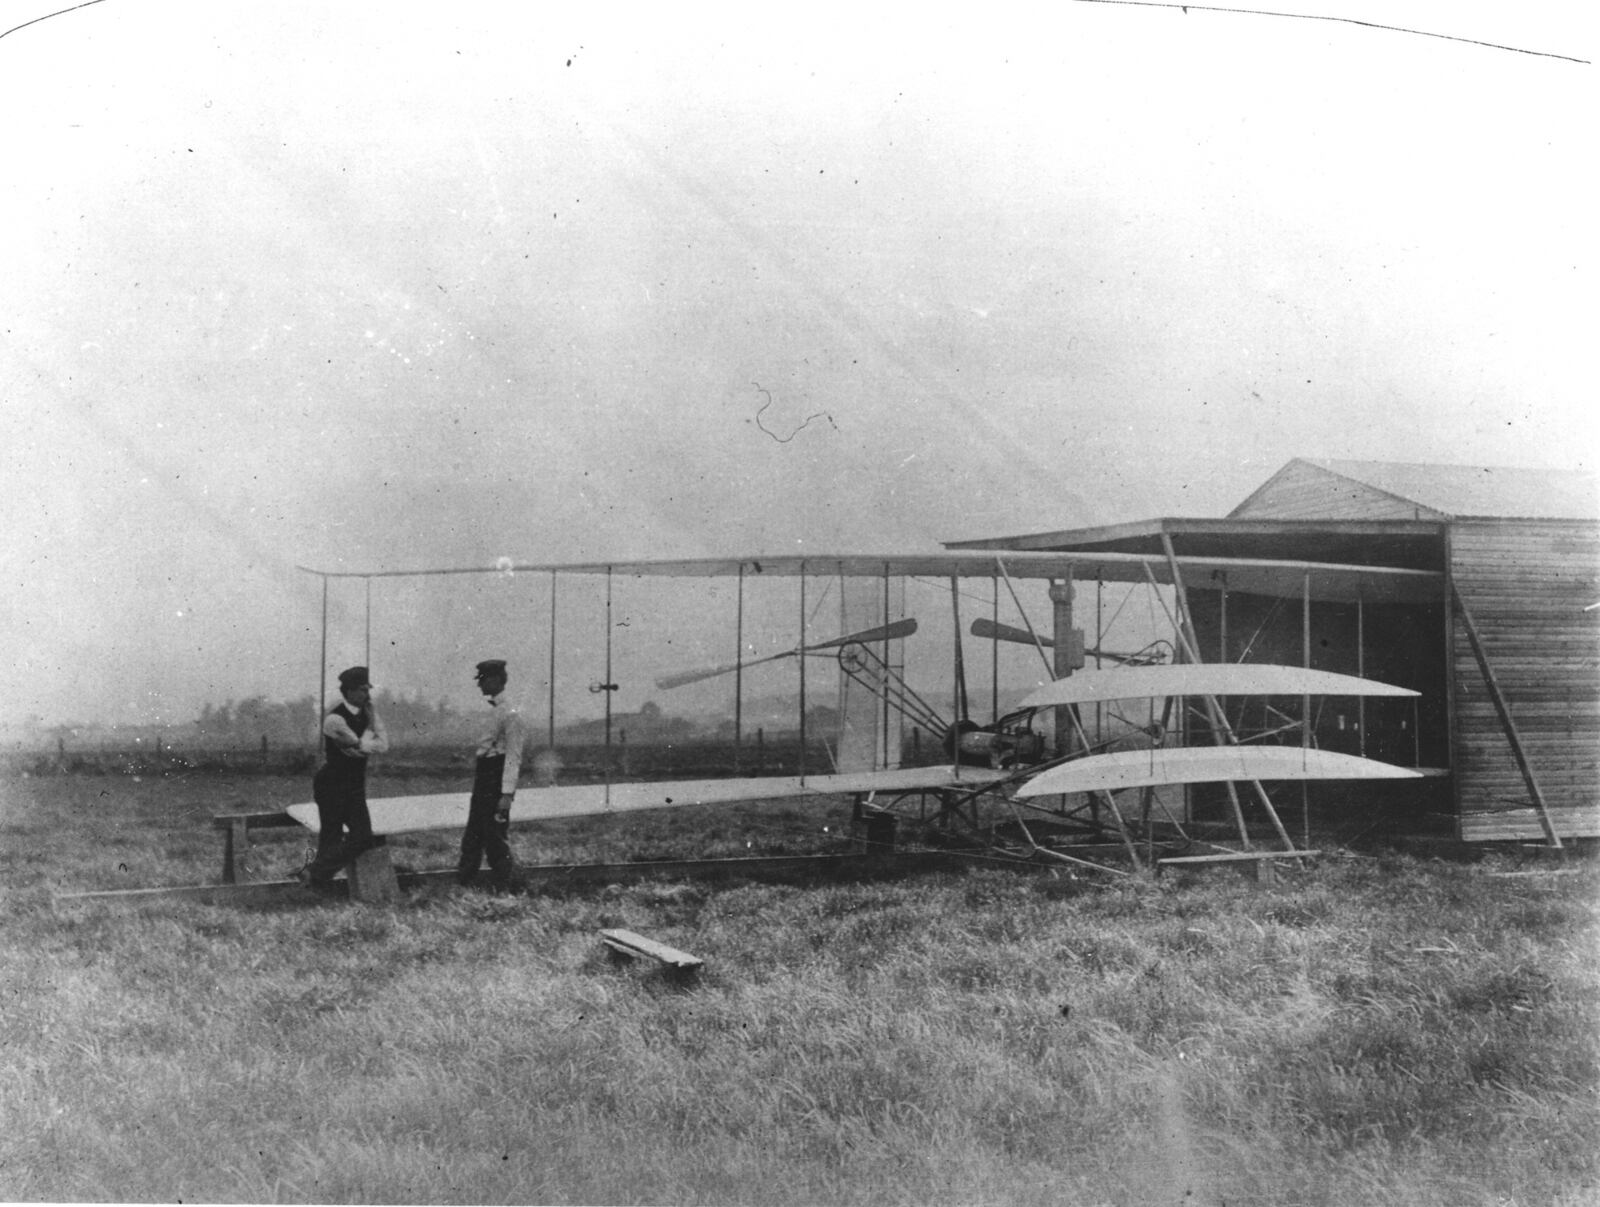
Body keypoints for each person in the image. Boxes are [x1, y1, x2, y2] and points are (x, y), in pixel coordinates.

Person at [300, 666, 389, 884]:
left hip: (355, 786)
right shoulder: (334, 720)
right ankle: (318, 883)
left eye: (367, 689)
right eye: (361, 690)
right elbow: (355, 750)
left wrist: (361, 741)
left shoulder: (369, 714)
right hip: (331, 784)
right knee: (331, 837)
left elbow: (382, 745)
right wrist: (366, 739)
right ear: (348, 691)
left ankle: (313, 873)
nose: (366, 694)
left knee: (363, 836)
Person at [459, 658, 526, 887]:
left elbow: (513, 756)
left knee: (495, 837)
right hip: (484, 777)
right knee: (473, 835)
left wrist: (506, 794)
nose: (480, 685)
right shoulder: (496, 710)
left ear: (496, 680)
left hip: (497, 779)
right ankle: (464, 884)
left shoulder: (511, 714)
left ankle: (506, 887)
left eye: (483, 680)